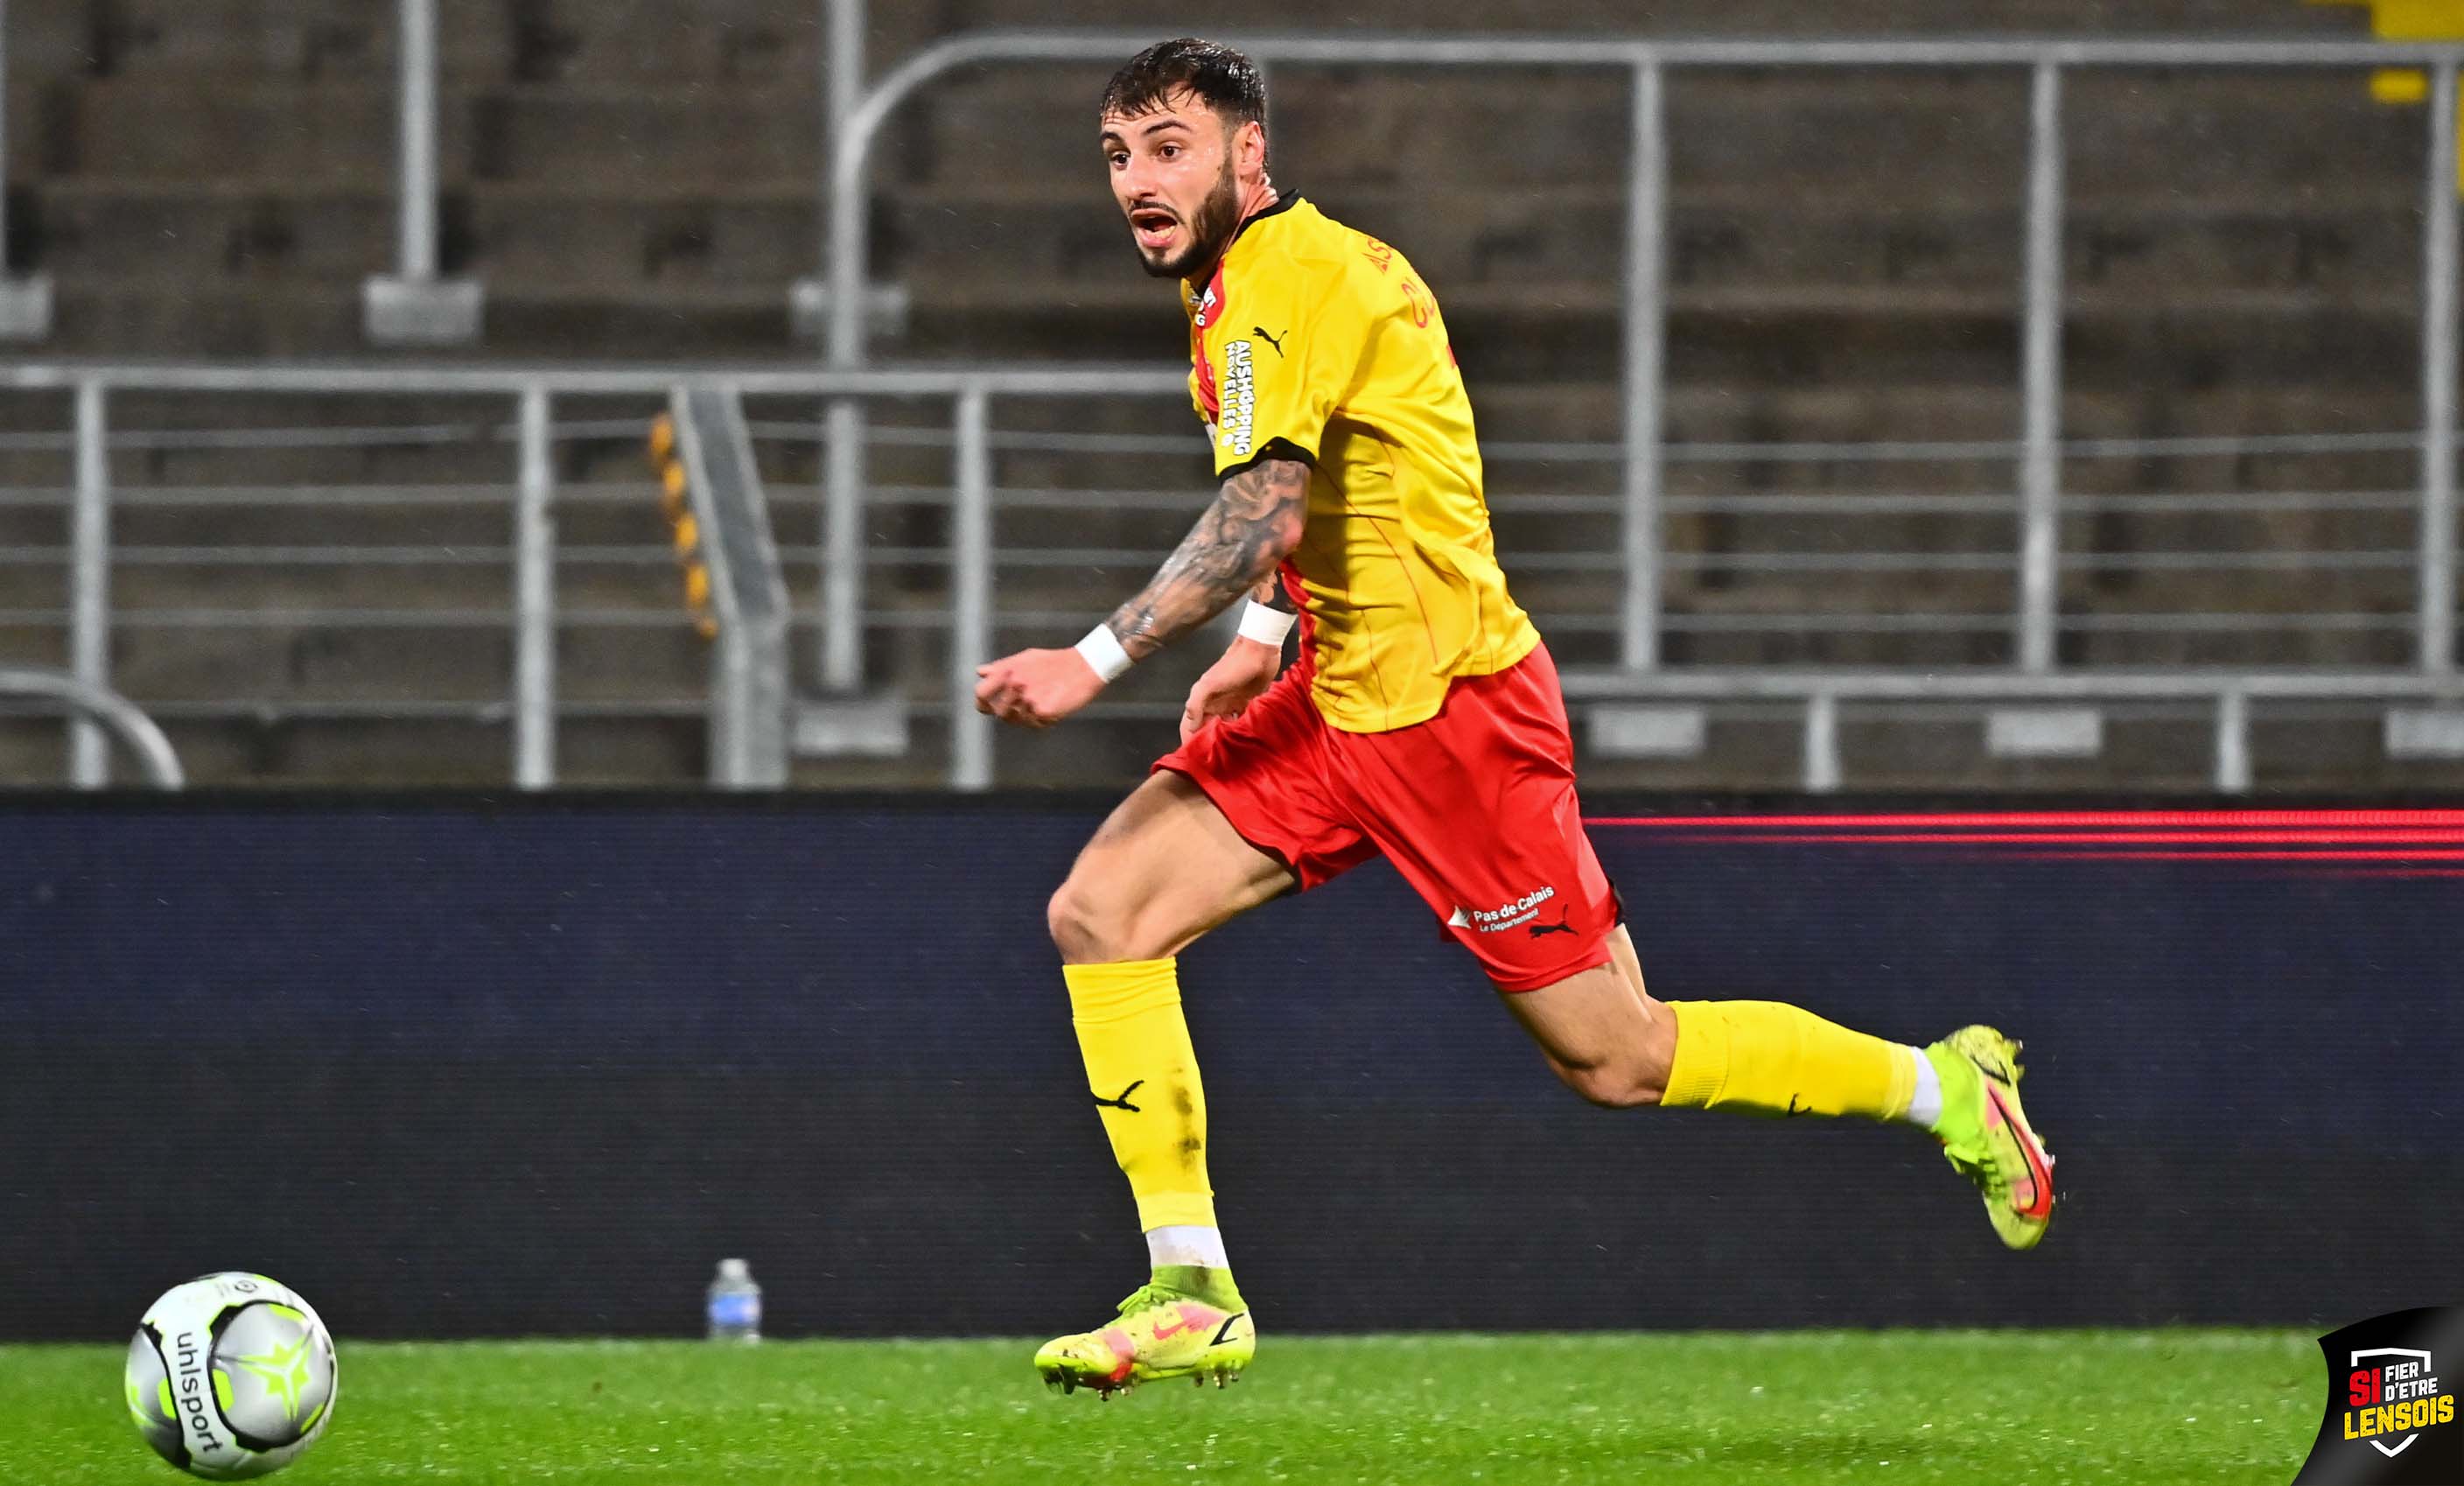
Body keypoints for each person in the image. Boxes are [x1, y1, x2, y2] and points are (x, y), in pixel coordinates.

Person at [973, 37, 2054, 1400]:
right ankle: (1193, 1286)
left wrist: (1094, 655)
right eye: (1120, 154)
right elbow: (1350, 476)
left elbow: (1262, 512)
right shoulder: (1271, 277)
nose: (1138, 179)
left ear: (1250, 156)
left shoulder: (1280, 285)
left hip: (1454, 720)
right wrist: (1265, 638)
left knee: (1621, 1055)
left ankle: (1944, 1087)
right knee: (1104, 909)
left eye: (1170, 148)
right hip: (1338, 698)